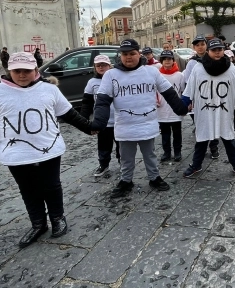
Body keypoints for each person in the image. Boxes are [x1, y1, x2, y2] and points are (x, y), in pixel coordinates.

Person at [0, 52, 93, 247]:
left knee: (52, 186)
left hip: (48, 148)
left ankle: (57, 218)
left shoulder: (49, 89)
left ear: (35, 70)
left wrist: (89, 128)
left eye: (26, 70)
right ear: (9, 71)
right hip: (17, 153)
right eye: (17, 71)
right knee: (28, 189)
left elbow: (69, 114)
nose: (21, 75)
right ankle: (38, 223)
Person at [91, 39, 189, 198]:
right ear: (120, 56)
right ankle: (126, 180)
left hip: (147, 124)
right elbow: (102, 101)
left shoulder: (151, 72)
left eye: (132, 53)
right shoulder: (111, 75)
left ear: (139, 54)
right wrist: (99, 123)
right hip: (125, 125)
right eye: (124, 54)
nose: (128, 57)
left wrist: (181, 109)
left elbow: (168, 92)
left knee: (150, 154)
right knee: (126, 157)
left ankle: (154, 177)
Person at [181, 38, 235, 179]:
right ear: (208, 51)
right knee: (201, 141)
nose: (218, 52)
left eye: (220, 49)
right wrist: (181, 105)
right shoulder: (198, 68)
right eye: (214, 50)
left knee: (229, 140)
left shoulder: (231, 69)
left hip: (224, 111)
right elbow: (189, 89)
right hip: (204, 112)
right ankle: (196, 165)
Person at [81, 55, 120, 176]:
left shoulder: (117, 79)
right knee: (103, 146)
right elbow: (87, 102)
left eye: (104, 65)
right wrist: (83, 119)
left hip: (119, 120)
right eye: (98, 65)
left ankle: (123, 164)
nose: (101, 67)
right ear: (95, 68)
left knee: (122, 145)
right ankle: (104, 165)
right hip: (103, 122)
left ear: (110, 66)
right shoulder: (92, 82)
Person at [183, 35, 221, 158]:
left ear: (206, 45)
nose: (200, 47)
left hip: (214, 95)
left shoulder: (214, 58)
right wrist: (189, 99)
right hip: (198, 98)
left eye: (202, 44)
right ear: (194, 47)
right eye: (197, 45)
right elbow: (188, 81)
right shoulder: (191, 62)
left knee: (215, 122)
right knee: (200, 123)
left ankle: (214, 146)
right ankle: (202, 146)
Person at [157, 50, 185, 162]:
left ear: (173, 61)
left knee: (177, 133)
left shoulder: (180, 75)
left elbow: (183, 91)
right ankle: (166, 152)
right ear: (161, 62)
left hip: (175, 109)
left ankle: (177, 152)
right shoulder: (158, 75)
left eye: (169, 59)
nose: (167, 61)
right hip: (162, 109)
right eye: (164, 59)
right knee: (165, 134)